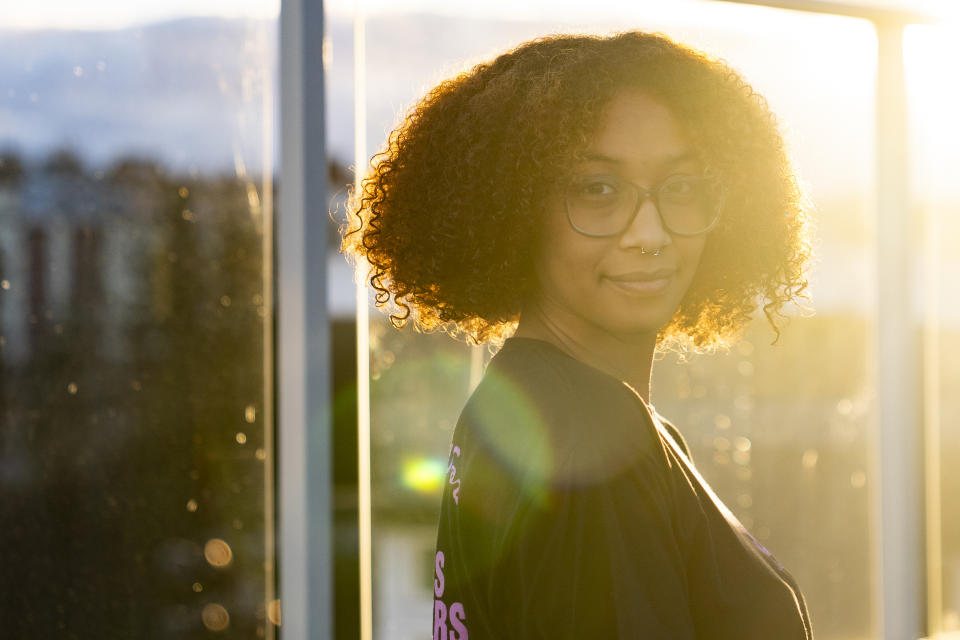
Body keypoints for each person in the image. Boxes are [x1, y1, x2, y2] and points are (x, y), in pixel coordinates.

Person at [343, 30, 813, 639]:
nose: (650, 232)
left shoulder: (516, 408)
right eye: (598, 190)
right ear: (513, 212)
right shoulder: (596, 446)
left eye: (683, 187)